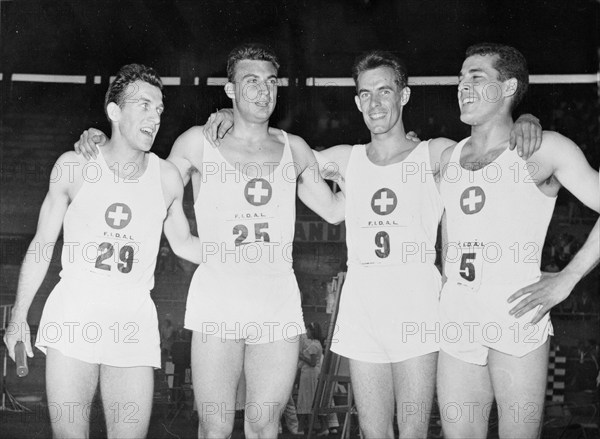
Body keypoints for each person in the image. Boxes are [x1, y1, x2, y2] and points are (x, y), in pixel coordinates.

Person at [203, 50, 542, 439]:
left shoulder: (434, 154)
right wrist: (236, 117)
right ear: (357, 102)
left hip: (416, 303)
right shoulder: (345, 160)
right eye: (365, 94)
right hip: (363, 304)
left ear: (405, 96)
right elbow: (281, 153)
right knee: (372, 431)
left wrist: (526, 120)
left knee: (414, 430)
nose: (375, 103)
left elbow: (487, 145)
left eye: (385, 91)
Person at [73, 43, 345, 438]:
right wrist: (100, 139)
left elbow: (335, 210)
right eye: (250, 81)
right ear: (230, 90)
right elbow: (145, 179)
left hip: (276, 300)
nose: (263, 91)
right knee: (215, 424)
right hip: (217, 298)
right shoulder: (198, 142)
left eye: (271, 82)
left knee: (264, 423)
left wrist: (385, 164)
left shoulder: (294, 148)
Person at [3, 64, 203, 438]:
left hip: (133, 319)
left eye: (159, 110)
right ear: (114, 112)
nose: (154, 117)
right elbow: (42, 245)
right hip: (74, 314)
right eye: (143, 105)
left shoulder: (166, 178)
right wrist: (18, 317)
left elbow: (185, 244)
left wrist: (236, 253)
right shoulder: (74, 166)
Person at [437, 43, 600, 439]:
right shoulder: (446, 157)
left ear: (508, 87)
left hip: (516, 310)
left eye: (476, 77)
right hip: (458, 313)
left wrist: (567, 278)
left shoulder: (545, 148)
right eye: (460, 79)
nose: (462, 86)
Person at [297, 322, 328, 435]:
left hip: (311, 374)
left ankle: (302, 427)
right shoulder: (315, 344)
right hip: (309, 374)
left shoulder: (314, 345)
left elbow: (313, 363)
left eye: (308, 330)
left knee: (307, 399)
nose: (307, 332)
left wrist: (300, 356)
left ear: (312, 331)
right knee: (308, 399)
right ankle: (305, 426)